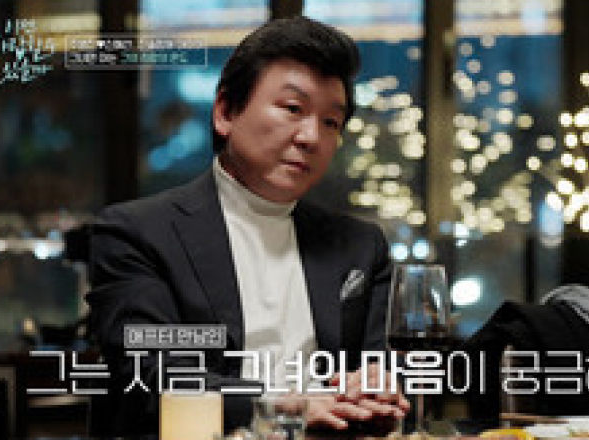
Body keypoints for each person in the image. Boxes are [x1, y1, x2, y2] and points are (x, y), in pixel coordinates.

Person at [87, 16, 409, 436]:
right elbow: (154, 375)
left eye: (331, 122)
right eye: (293, 109)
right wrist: (282, 406)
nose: (311, 137)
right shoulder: (137, 234)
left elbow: (378, 367)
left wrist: (376, 385)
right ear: (225, 112)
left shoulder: (360, 246)